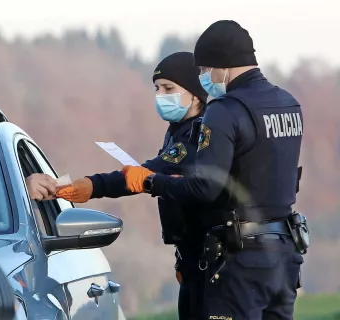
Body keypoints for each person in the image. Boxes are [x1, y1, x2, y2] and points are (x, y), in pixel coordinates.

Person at [122, 20, 306, 320]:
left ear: (223, 66)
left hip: (241, 260)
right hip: (285, 254)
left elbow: (204, 187)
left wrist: (152, 182)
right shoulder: (289, 104)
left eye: (204, 70)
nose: (204, 78)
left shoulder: (224, 110)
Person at [55, 52, 210, 319]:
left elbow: (149, 173)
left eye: (169, 88)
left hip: (208, 259)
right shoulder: (178, 129)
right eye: (157, 88)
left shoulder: (198, 133)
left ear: (195, 94)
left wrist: (94, 185)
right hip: (191, 255)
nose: (161, 95)